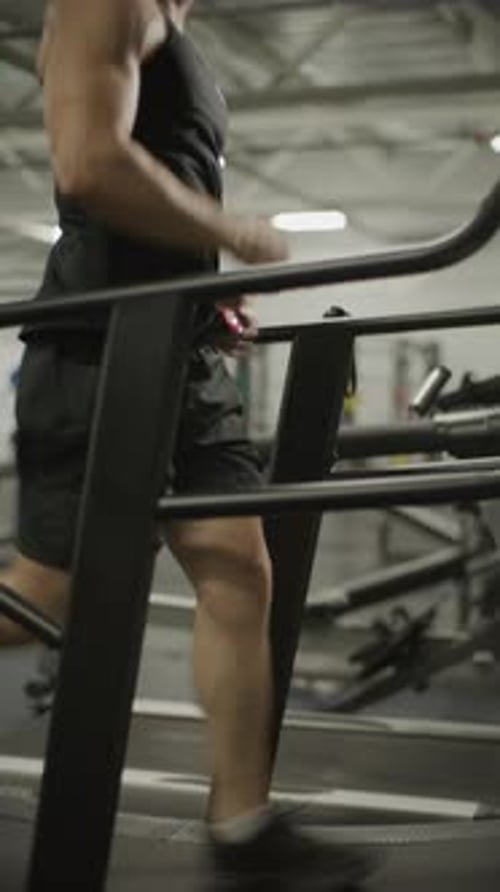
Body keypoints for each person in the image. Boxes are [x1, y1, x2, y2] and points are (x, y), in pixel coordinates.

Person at [0, 1, 374, 887]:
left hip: (182, 346)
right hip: (99, 350)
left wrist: (205, 292)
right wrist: (230, 233)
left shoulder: (175, 28)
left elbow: (164, 181)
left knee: (238, 571)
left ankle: (242, 827)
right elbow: (89, 163)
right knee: (46, 596)